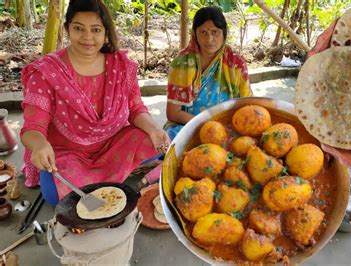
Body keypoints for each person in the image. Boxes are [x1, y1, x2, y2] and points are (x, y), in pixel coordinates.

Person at [20, 0, 170, 205]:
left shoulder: (121, 66)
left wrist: (153, 129)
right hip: (67, 152)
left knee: (157, 141)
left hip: (113, 143)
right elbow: (32, 128)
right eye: (78, 28)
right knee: (54, 194)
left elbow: (135, 109)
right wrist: (39, 145)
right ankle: (114, 176)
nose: (87, 37)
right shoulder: (47, 73)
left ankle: (104, 176)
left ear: (105, 33)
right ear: (67, 29)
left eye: (96, 29)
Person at [165, 6, 252, 140]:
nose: (209, 39)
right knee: (169, 147)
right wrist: (207, 126)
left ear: (224, 33)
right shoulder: (182, 63)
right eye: (203, 32)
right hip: (189, 124)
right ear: (195, 34)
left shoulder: (235, 63)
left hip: (228, 126)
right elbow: (173, 113)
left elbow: (247, 104)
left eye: (215, 32)